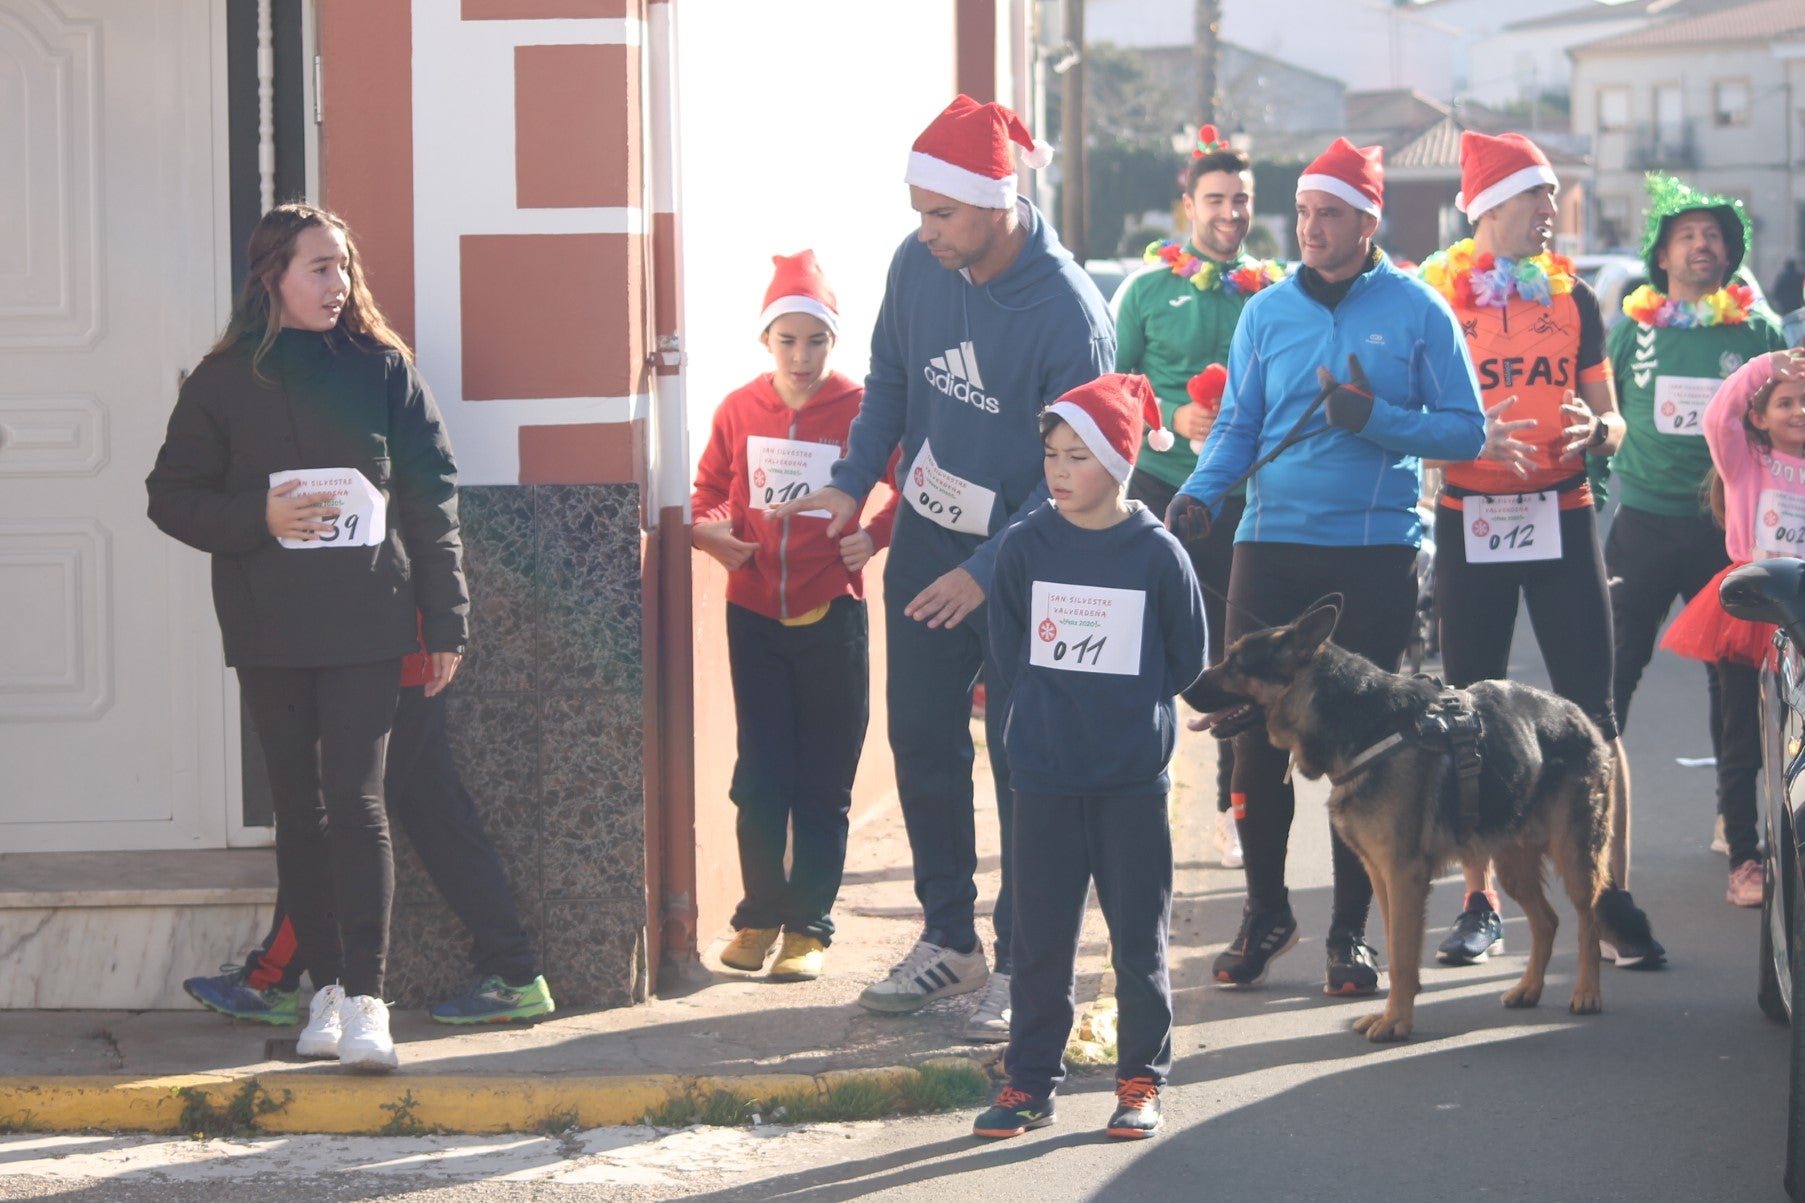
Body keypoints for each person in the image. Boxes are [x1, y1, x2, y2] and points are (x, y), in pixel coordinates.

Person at [767, 95, 1114, 1043]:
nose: (924, 230)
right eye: (919, 210)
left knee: (1025, 760)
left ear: (997, 202)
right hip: (926, 538)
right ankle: (950, 940)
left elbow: (1079, 477)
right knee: (921, 737)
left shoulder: (1069, 313)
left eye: (942, 212)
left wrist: (990, 567)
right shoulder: (918, 262)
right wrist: (851, 484)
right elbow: (889, 380)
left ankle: (1030, 959)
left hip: (1031, 558)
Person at [147, 203, 467, 1071]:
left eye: (344, 266)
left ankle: (367, 998)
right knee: (300, 811)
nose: (339, 283)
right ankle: (322, 990)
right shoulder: (220, 381)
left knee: (357, 803)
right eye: (320, 267)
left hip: (368, 617)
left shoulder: (383, 370)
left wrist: (446, 618)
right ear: (273, 278)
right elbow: (170, 496)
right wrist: (260, 515)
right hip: (270, 624)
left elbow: (431, 496)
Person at [1166, 138, 1486, 996]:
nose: (1310, 228)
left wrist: (1371, 416)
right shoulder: (1266, 312)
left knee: (1366, 754)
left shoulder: (1417, 310)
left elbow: (1465, 430)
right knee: (1249, 741)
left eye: (1330, 214)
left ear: (1367, 221)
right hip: (1268, 545)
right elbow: (1237, 424)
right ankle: (1264, 912)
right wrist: (1200, 493)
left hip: (1373, 554)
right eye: (1304, 211)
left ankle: (1349, 934)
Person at [1417, 131, 1636, 966]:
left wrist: (1599, 431)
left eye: (1550, 196)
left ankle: (1608, 897)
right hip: (1470, 515)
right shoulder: (1436, 299)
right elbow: (1411, 416)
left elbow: (1611, 417)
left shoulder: (1574, 297)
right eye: (1534, 196)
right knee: (1469, 711)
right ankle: (1478, 902)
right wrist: (1454, 444)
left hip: (1561, 511)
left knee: (1595, 713)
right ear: (1488, 207)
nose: (1550, 210)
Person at [972, 374, 1205, 1141]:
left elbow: (1185, 658)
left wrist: (1128, 721)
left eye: (1079, 456)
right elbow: (1008, 651)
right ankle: (1028, 1081)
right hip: (1042, 774)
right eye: (1051, 454)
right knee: (1039, 941)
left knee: (1138, 941)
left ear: (1119, 462)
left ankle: (1140, 1080)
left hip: (1131, 781)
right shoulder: (1024, 545)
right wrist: (1045, 726)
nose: (1059, 470)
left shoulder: (1158, 554)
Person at [690, 251, 897, 982]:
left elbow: (913, 485)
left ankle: (808, 927)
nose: (802, 356)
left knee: (823, 780)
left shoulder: (863, 409)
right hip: (752, 614)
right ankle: (757, 917)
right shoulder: (737, 409)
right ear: (765, 340)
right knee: (759, 779)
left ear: (834, 341)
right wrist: (711, 533)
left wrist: (875, 535)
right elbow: (710, 490)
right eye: (787, 340)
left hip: (832, 613)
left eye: (816, 341)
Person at [182, 629, 554, 1028]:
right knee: (438, 821)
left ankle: (270, 978)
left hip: (388, 667)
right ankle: (514, 972)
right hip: (403, 662)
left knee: (346, 828)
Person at [1599, 174, 1787, 954]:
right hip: (1641, 522)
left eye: (1714, 235)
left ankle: (1740, 839)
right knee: (1613, 673)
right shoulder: (1631, 326)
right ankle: (1590, 822)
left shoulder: (1757, 327)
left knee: (1734, 687)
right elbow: (1605, 409)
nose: (1702, 246)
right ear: (1661, 253)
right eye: (1687, 236)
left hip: (1723, 531)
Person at [1112, 124, 1287, 871]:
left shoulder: (1275, 293)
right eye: (1215, 199)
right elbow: (1112, 392)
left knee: (1242, 663)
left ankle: (1232, 810)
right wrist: (1168, 421)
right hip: (1162, 493)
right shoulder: (1145, 290)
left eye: (1240, 199)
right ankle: (1131, 801)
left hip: (1247, 503)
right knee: (1144, 654)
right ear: (1188, 205)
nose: (1229, 212)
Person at [1661, 348, 1805, 906]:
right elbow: (1719, 415)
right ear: (1759, 417)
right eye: (1785, 403)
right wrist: (1765, 367)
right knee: (1743, 738)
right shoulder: (1747, 461)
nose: (1798, 411)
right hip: (1751, 612)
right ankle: (1745, 857)